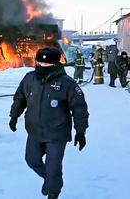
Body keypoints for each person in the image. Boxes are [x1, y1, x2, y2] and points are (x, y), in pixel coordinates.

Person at [9, 47, 89, 199]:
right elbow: (20, 98)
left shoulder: (67, 84)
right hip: (34, 132)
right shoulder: (29, 79)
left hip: (57, 134)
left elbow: (79, 108)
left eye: (46, 65)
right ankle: (50, 180)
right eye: (39, 63)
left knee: (53, 169)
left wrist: (81, 132)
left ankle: (53, 192)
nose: (42, 67)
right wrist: (14, 116)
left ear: (55, 64)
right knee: (32, 160)